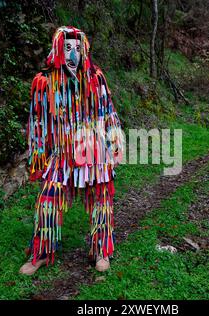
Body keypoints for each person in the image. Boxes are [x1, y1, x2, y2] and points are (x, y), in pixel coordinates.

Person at [19, 26, 124, 275]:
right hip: (61, 154)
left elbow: (108, 112)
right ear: (58, 50)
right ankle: (42, 252)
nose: (73, 54)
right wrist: (38, 156)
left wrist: (114, 145)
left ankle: (101, 250)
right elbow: (38, 123)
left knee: (101, 199)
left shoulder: (95, 78)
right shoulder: (44, 83)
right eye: (67, 48)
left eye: (77, 48)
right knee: (47, 200)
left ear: (84, 50)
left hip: (93, 152)